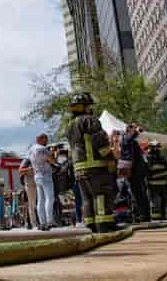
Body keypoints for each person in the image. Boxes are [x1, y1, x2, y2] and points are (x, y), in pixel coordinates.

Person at [66, 93, 117, 233]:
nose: (91, 108)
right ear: (85, 107)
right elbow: (100, 141)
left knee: (87, 199)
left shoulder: (69, 126)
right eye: (89, 106)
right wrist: (110, 158)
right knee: (100, 195)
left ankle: (91, 226)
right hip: (95, 167)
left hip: (79, 169)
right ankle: (104, 225)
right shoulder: (90, 120)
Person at [120, 123, 150, 222]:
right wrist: (137, 131)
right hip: (132, 171)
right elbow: (130, 138)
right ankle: (140, 215)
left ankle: (144, 215)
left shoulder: (132, 141)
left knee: (141, 194)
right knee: (136, 194)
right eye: (133, 127)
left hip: (137, 172)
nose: (135, 129)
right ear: (129, 130)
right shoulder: (125, 138)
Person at [29, 134, 56, 230]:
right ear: (41, 139)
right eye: (46, 139)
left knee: (40, 200)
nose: (47, 141)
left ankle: (42, 222)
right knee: (49, 198)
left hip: (37, 175)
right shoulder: (42, 149)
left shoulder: (31, 149)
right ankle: (50, 221)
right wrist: (53, 153)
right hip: (46, 175)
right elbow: (52, 161)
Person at [18, 157, 38, 229]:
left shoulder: (38, 159)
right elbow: (20, 170)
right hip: (30, 185)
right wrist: (30, 169)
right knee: (31, 205)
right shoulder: (27, 160)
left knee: (35, 204)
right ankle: (33, 223)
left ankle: (33, 222)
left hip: (38, 184)